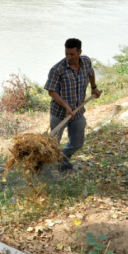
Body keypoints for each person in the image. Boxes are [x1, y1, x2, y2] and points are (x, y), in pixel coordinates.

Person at [44, 39, 102, 171]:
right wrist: (66, 106)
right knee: (53, 145)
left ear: (79, 52)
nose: (69, 57)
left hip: (78, 112)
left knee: (77, 142)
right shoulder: (57, 69)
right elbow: (51, 91)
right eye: (67, 54)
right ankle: (46, 170)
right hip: (59, 114)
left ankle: (62, 162)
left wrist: (94, 88)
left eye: (72, 54)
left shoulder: (86, 61)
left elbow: (91, 72)